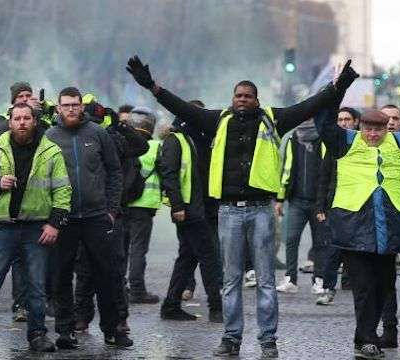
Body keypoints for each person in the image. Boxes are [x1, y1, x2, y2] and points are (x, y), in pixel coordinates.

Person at [126, 55, 344, 358]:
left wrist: (338, 85)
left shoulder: (273, 119)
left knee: (266, 280)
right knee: (230, 281)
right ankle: (231, 339)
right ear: (233, 98)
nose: (242, 99)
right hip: (228, 211)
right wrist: (152, 86)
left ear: (257, 100)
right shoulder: (218, 120)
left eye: (247, 96)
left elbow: (308, 106)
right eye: (238, 95)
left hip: (261, 210)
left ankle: (268, 342)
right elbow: (181, 107)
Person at [308, 61, 400, 359]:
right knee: (364, 288)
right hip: (354, 226)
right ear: (361, 126)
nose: (374, 134)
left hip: (389, 229)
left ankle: (362, 335)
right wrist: (339, 86)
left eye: (379, 129)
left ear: (387, 129)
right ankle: (367, 338)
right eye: (369, 128)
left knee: (383, 286)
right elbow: (324, 121)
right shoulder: (345, 141)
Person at [0, 103, 70, 352]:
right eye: (17, 118)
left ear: (34, 121)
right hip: (4, 228)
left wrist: (55, 224)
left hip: (37, 227)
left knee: (37, 286)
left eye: (26, 118)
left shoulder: (51, 151)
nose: (21, 123)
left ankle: (37, 335)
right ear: (10, 122)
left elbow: (63, 190)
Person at [44, 87, 133, 349]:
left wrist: (111, 209)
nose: (71, 109)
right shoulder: (49, 137)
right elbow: (42, 178)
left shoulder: (98, 133)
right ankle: (65, 330)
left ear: (82, 106)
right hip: (64, 217)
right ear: (58, 108)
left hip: (96, 215)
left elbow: (114, 171)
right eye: (66, 105)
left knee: (107, 274)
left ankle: (112, 329)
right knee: (61, 275)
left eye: (75, 104)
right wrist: (49, 216)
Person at [157, 116, 223, 323]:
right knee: (209, 256)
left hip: (202, 208)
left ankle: (171, 305)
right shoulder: (175, 140)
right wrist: (177, 206)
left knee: (188, 258)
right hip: (190, 210)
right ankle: (216, 309)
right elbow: (169, 174)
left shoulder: (198, 140)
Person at [312, 107, 359, 304]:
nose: (343, 123)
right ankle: (328, 288)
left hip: (359, 205)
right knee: (333, 250)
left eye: (347, 119)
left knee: (358, 252)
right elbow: (323, 178)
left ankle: (358, 288)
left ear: (355, 122)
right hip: (336, 205)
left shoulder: (362, 144)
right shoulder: (334, 146)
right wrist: (320, 207)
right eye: (339, 119)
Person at [275, 118, 325, 294]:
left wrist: (325, 202)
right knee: (291, 239)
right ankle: (290, 279)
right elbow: (286, 169)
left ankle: (319, 279)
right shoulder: (293, 138)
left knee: (320, 242)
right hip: (296, 200)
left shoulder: (323, 138)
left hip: (319, 203)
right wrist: (280, 198)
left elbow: (327, 172)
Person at [125, 107, 163, 303]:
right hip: (145, 205)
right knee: (138, 249)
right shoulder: (157, 147)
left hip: (123, 204)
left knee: (122, 249)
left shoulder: (122, 144)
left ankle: (120, 287)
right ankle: (138, 290)